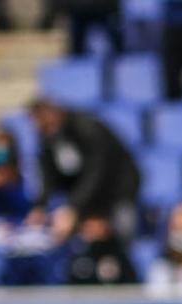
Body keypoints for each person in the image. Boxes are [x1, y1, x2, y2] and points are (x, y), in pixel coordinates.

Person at [29, 99, 141, 245]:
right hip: (88, 197)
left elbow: (97, 172)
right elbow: (48, 174)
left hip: (118, 191)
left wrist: (74, 206)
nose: (42, 128)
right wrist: (40, 206)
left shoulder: (87, 128)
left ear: (53, 114)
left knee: (121, 240)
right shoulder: (47, 137)